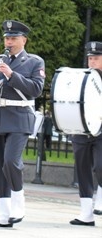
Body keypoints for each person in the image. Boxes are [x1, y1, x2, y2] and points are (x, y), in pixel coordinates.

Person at [0, 20, 45, 228]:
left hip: (19, 115)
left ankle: (19, 202)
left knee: (11, 161)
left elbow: (35, 89)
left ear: (23, 40)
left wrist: (11, 74)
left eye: (13, 38)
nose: (9, 42)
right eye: (7, 38)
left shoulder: (34, 62)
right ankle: (3, 212)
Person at [68, 41, 102, 226]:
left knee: (100, 166)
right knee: (82, 169)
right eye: (90, 58)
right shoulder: (81, 78)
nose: (92, 62)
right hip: (81, 129)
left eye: (96, 58)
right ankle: (86, 213)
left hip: (101, 131)